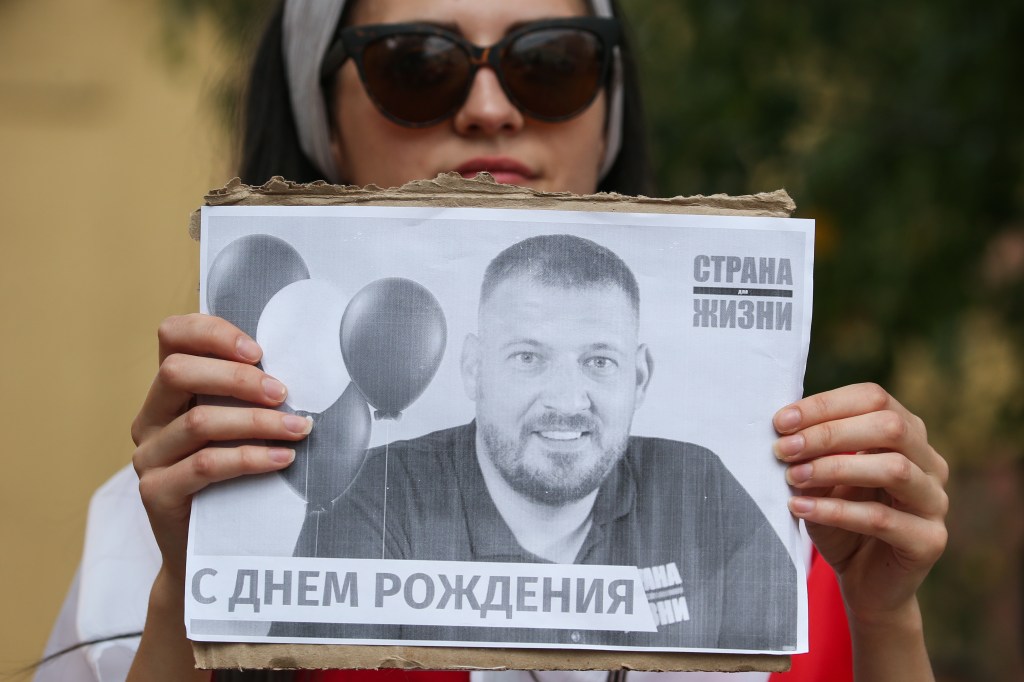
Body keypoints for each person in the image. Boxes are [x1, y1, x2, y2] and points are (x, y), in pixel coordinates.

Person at [35, 0, 950, 681]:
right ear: (322, 119)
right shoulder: (169, 521)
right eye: (415, 66)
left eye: (551, 63)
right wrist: (181, 597)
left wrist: (888, 622)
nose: (489, 107)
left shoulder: (772, 500)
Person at [278, 234, 797, 651]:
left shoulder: (698, 489)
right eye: (529, 358)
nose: (568, 401)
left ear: (639, 378)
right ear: (474, 370)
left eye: (600, 362)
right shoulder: (372, 495)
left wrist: (877, 613)